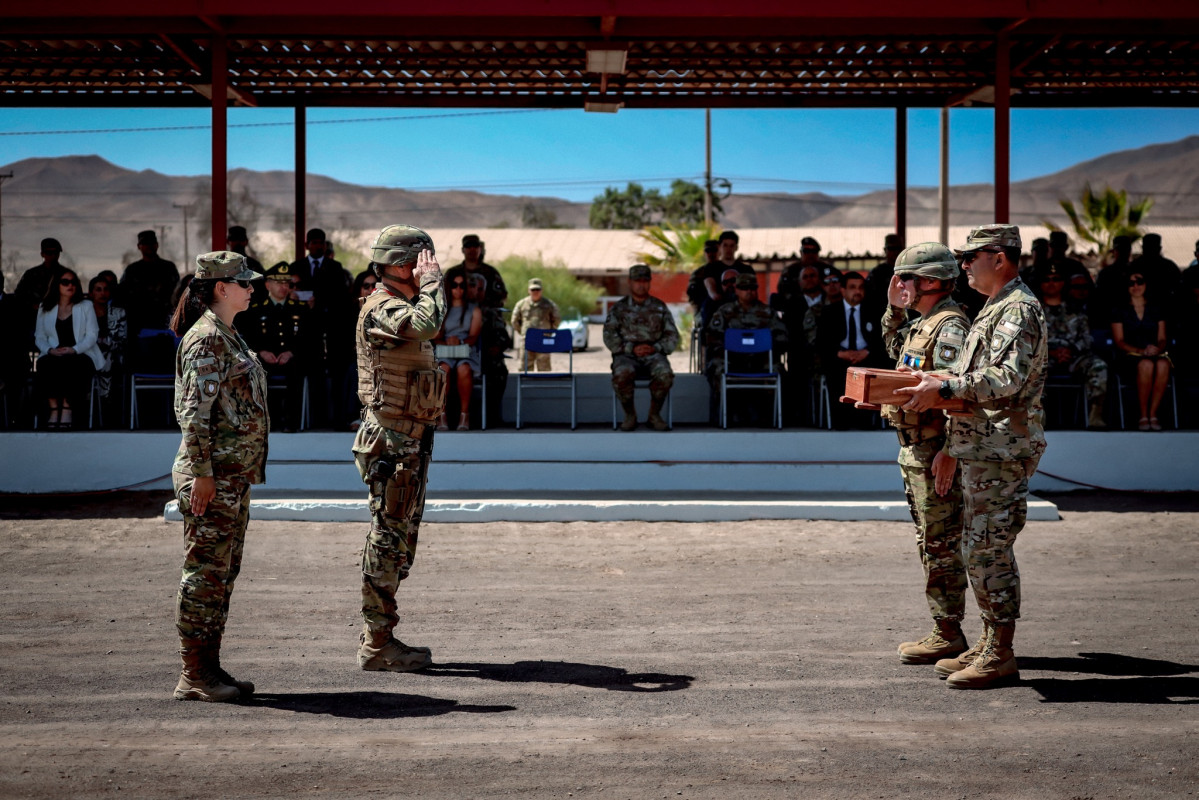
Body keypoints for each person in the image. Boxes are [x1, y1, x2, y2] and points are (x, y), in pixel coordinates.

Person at [897, 223, 1048, 690]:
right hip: (982, 445)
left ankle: (1000, 652)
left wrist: (944, 386)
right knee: (976, 549)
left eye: (970, 257)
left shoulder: (1017, 309)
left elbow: (1005, 378)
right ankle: (988, 642)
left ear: (1000, 258)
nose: (963, 266)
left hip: (1000, 448)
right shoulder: (994, 308)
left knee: (988, 552)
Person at [168, 250, 267, 702]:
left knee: (222, 575)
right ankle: (194, 674)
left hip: (232, 476)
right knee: (205, 574)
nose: (252, 288)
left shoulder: (228, 336)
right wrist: (203, 475)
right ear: (221, 289)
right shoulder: (207, 339)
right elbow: (194, 414)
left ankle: (209, 667)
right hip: (213, 477)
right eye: (244, 283)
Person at [352, 225, 445, 673]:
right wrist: (432, 287)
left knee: (401, 542)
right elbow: (428, 324)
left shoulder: (400, 303)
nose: (430, 268)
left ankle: (382, 636)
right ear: (401, 265)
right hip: (391, 439)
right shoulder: (382, 305)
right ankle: (377, 643)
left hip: (410, 439)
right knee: (388, 539)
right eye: (423, 261)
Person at [879, 243, 970, 666]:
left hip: (935, 448)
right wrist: (895, 310)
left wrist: (951, 449)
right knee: (930, 541)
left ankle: (948, 632)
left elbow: (957, 392)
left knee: (942, 543)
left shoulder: (949, 325)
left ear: (931, 281)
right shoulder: (924, 323)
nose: (900, 285)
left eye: (908, 278)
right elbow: (895, 354)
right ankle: (945, 628)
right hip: (915, 448)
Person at [238, 261, 316, 432]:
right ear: (267, 284)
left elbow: (308, 337)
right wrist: (261, 352)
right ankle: (264, 420)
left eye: (286, 283)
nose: (283, 287)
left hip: (292, 359)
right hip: (263, 358)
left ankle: (291, 422)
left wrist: (291, 352)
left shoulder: (300, 309)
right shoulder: (256, 309)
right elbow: (248, 337)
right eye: (278, 282)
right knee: (256, 372)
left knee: (297, 372)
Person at [604, 264, 679, 432]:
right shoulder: (619, 308)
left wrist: (656, 348)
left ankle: (654, 415)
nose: (641, 285)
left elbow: (672, 335)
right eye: (637, 281)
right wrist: (630, 348)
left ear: (650, 283)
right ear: (629, 282)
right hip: (626, 355)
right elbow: (609, 336)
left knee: (665, 374)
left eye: (645, 281)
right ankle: (630, 415)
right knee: (622, 373)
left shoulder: (660, 307)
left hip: (654, 354)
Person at [705, 272, 787, 426]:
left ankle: (770, 418)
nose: (749, 291)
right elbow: (712, 337)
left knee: (778, 369)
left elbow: (782, 336)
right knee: (717, 367)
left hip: (761, 360)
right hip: (732, 360)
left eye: (752, 288)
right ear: (737, 290)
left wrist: (768, 351)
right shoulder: (725, 312)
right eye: (744, 288)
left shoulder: (768, 312)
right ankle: (725, 417)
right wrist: (725, 351)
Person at [1037, 263, 1109, 429]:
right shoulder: (1033, 310)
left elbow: (1086, 338)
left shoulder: (1075, 309)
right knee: (1032, 368)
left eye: (1056, 279)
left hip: (1074, 357)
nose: (1051, 283)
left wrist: (1069, 351)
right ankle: (1037, 415)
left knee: (1098, 366)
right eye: (1047, 279)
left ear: (1062, 283)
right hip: (1045, 357)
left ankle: (1095, 414)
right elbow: (1029, 339)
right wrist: (1052, 353)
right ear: (1041, 284)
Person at [34, 268, 103, 429]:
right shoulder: (46, 307)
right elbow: (40, 336)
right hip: (54, 352)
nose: (70, 285)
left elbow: (92, 335)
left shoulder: (85, 305)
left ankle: (66, 407)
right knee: (45, 364)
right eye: (65, 282)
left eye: (73, 282)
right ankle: (53, 408)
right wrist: (50, 350)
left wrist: (74, 349)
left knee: (73, 364)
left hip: (81, 353)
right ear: (56, 285)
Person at [816, 270, 882, 430]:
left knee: (876, 367)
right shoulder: (829, 312)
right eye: (853, 287)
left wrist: (866, 352)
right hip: (839, 358)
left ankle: (868, 422)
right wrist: (840, 353)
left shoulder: (874, 311)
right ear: (843, 290)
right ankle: (840, 422)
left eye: (860, 287)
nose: (858, 291)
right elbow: (820, 343)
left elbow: (883, 341)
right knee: (835, 369)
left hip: (867, 357)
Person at [1111, 269, 1171, 430]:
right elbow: (1119, 341)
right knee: (1146, 365)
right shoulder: (1119, 310)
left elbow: (1163, 338)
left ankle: (1153, 414)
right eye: (1131, 283)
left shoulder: (1156, 308)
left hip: (1154, 353)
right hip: (1129, 356)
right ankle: (1143, 415)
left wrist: (1157, 349)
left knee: (1163, 364)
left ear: (1146, 284)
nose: (1136, 286)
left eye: (1140, 282)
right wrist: (1141, 351)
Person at [434, 271, 482, 431]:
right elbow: (435, 335)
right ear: (449, 287)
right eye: (454, 285)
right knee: (443, 370)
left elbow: (474, 336)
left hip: (465, 351)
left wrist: (460, 341)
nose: (458, 289)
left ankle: (464, 415)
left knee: (464, 369)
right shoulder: (442, 309)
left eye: (462, 285)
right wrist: (447, 341)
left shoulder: (474, 310)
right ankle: (442, 416)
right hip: (445, 351)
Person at [118, 230, 180, 337]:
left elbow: (178, 294)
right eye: (145, 244)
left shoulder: (168, 268)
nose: (149, 247)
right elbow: (122, 295)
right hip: (139, 323)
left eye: (152, 243)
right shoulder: (132, 270)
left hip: (165, 322)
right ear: (139, 246)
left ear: (157, 245)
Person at [88, 273, 128, 423]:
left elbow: (123, 339)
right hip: (88, 355)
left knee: (109, 357)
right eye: (98, 289)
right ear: (91, 293)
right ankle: (103, 404)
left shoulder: (119, 313)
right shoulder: (84, 312)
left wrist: (106, 343)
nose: (102, 293)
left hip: (113, 354)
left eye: (105, 289)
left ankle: (107, 409)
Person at [444, 234, 507, 310]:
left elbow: (502, 296)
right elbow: (443, 296)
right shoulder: (453, 273)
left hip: (485, 318)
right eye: (468, 246)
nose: (472, 249)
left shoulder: (490, 273)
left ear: (480, 249)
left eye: (475, 246)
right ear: (463, 250)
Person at [511, 278, 562, 372]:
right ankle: (526, 386)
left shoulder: (549, 304)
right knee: (524, 369)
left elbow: (557, 319)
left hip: (543, 340)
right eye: (533, 290)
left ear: (541, 290)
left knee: (544, 370)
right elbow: (514, 321)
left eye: (537, 290)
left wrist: (550, 332)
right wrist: (523, 333)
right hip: (527, 341)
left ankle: (543, 386)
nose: (535, 292)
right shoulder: (521, 304)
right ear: (528, 290)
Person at [1129, 232, 1181, 307]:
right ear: (1160, 249)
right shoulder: (1169, 266)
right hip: (1143, 306)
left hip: (1162, 305)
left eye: (1151, 248)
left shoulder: (1135, 265)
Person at [864, 232, 905, 319]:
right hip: (883, 318)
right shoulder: (877, 273)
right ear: (885, 250)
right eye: (891, 248)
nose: (895, 252)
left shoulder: (909, 272)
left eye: (898, 248)